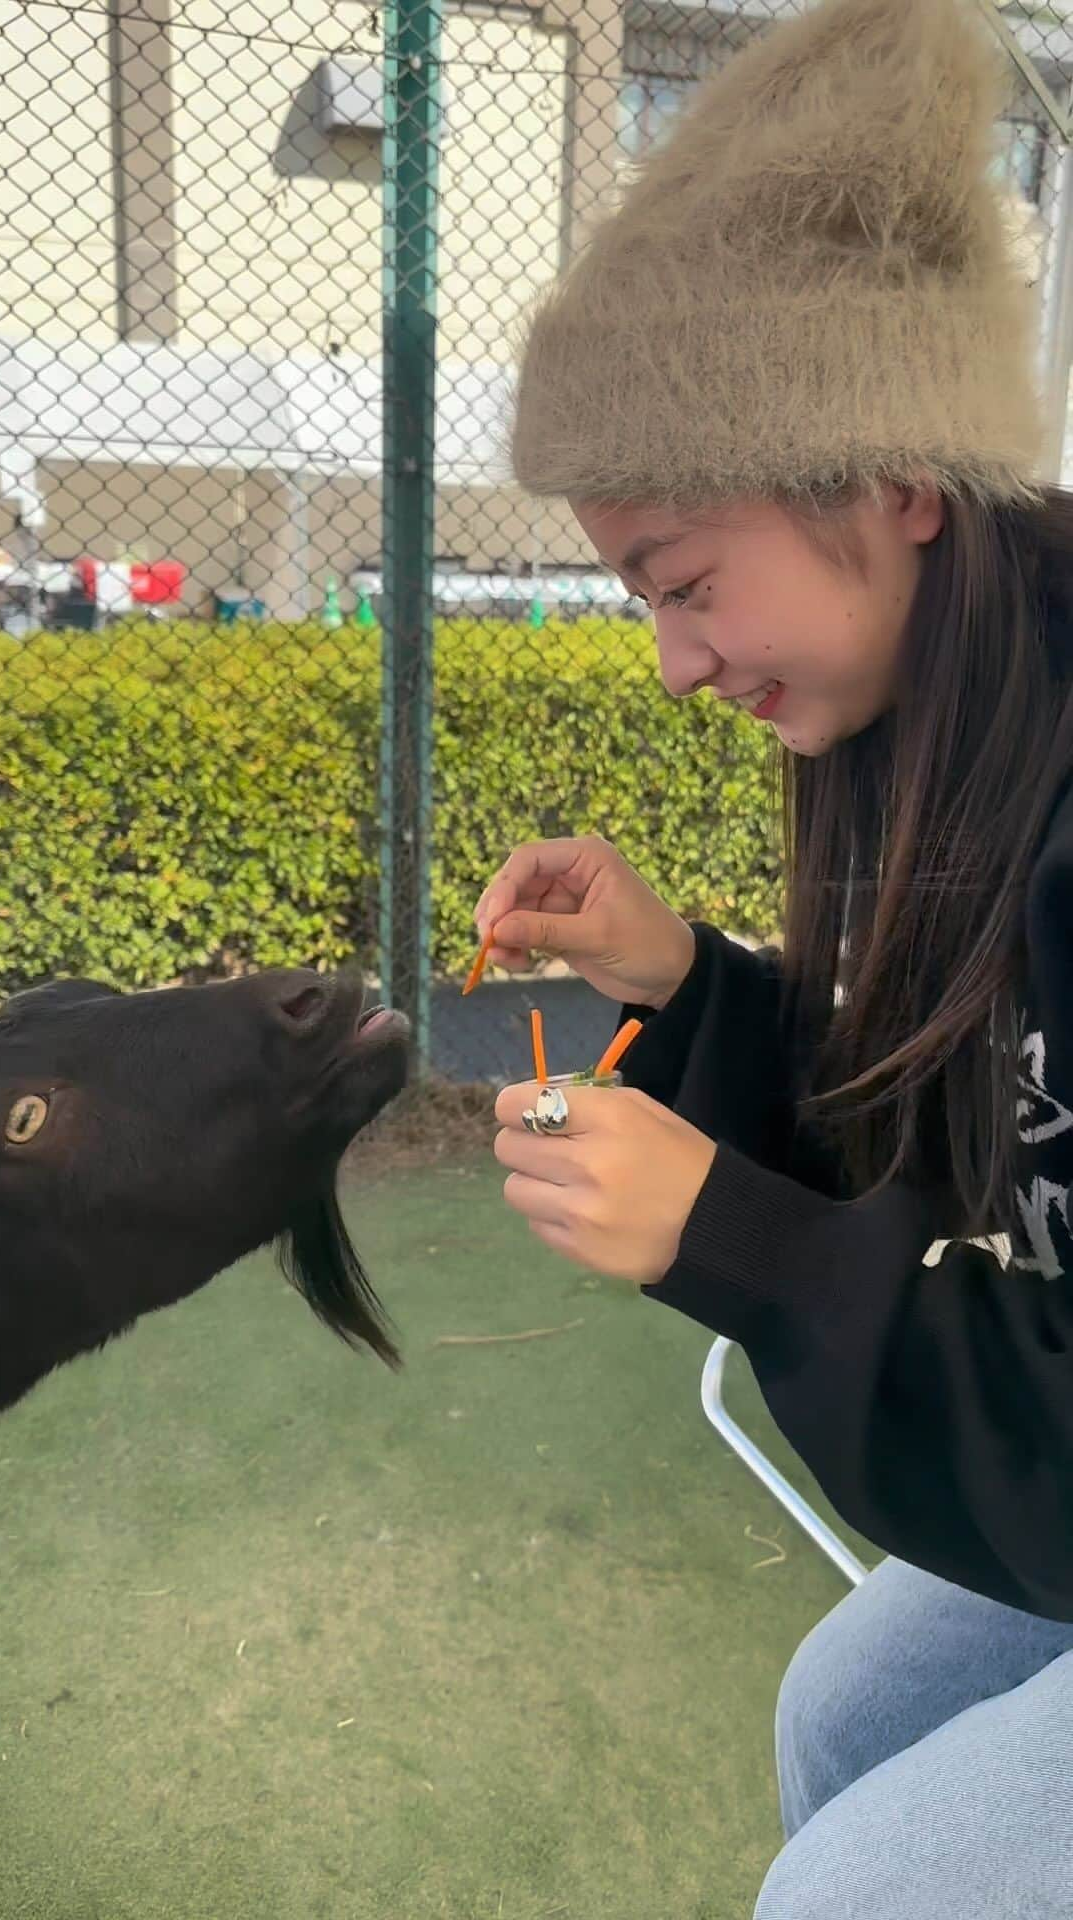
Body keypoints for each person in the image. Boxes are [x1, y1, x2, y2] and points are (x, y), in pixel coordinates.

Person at [480, 0, 1073, 1912]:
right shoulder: (957, 721)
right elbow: (967, 1153)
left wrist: (726, 1233)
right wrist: (695, 987)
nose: (674, 660)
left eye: (682, 578)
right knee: (843, 1717)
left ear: (890, 482)